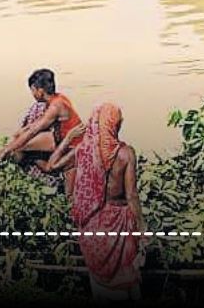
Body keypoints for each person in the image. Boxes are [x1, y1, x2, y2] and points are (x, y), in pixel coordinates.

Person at [47, 103, 145, 302]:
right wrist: (142, 231)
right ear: (115, 124)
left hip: (93, 225)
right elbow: (132, 196)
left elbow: (52, 165)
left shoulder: (83, 150)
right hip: (120, 223)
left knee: (100, 287)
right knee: (127, 281)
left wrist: (68, 138)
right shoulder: (126, 154)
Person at [0, 68, 83, 169]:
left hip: (70, 142)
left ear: (40, 91)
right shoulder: (58, 98)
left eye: (33, 90)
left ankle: (15, 167)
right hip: (59, 136)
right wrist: (23, 130)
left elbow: (33, 131)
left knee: (19, 147)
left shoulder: (55, 106)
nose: (32, 94)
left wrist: (6, 150)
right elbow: (38, 123)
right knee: (19, 137)